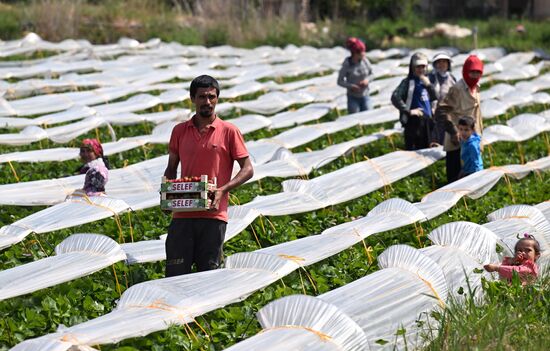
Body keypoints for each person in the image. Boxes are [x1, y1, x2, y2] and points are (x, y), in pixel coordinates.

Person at [163, 75, 253, 277]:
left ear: (217, 98)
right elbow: (171, 168)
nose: (207, 102)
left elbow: (248, 169)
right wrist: (166, 195)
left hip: (213, 215)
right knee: (175, 274)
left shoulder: (229, 131)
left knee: (209, 275)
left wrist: (222, 190)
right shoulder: (179, 131)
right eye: (202, 97)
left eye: (212, 97)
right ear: (192, 99)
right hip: (183, 215)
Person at [434, 55, 484, 183]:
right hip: (457, 141)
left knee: (473, 176)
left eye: (478, 72)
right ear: (465, 72)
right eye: (471, 72)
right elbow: (441, 110)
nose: (474, 75)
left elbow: (477, 114)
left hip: (472, 138)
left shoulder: (476, 87)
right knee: (455, 179)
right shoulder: (457, 89)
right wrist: (453, 131)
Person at [391, 52, 437, 150]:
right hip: (414, 123)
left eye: (423, 67)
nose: (421, 69)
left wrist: (429, 85)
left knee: (428, 151)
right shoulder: (408, 82)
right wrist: (408, 111)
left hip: (428, 123)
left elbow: (435, 97)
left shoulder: (428, 81)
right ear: (412, 68)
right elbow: (395, 97)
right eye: (418, 67)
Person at [337, 37, 374, 114]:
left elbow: (372, 74)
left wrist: (367, 80)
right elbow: (340, 81)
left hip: (365, 94)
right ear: (355, 54)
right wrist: (351, 86)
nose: (364, 54)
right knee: (354, 117)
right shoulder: (347, 64)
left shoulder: (365, 61)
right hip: (353, 97)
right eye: (361, 52)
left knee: (369, 115)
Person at [428, 52, 457, 145]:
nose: (442, 64)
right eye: (439, 62)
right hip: (437, 111)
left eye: (444, 62)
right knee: (438, 135)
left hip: (450, 110)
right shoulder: (431, 77)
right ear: (435, 64)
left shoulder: (451, 77)